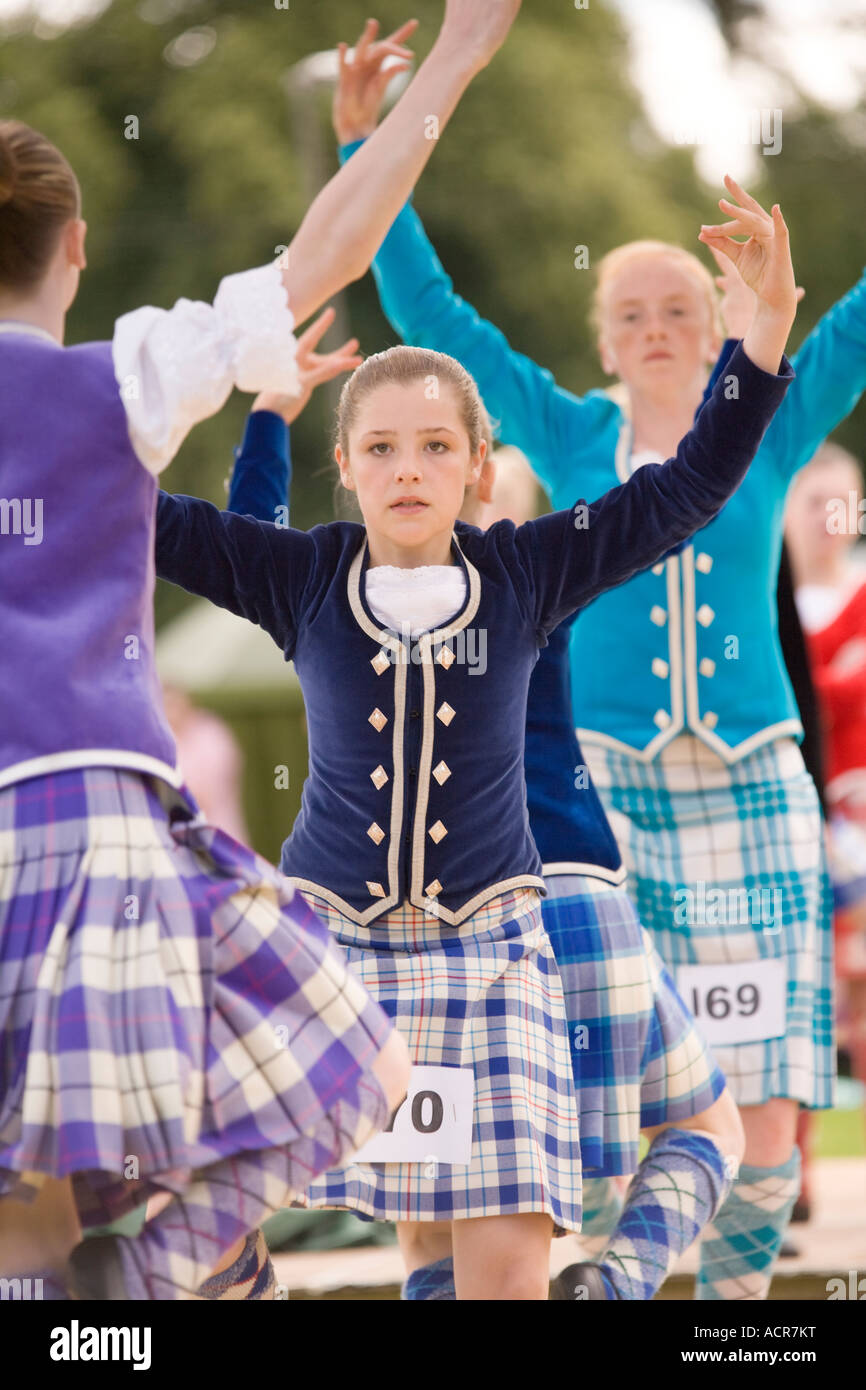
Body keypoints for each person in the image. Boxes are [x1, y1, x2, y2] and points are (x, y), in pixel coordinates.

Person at [154, 173, 796, 1295]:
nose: (410, 467)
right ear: (346, 469)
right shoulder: (303, 574)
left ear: (476, 466)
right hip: (329, 955)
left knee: (486, 1279)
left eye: (437, 448)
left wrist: (761, 336)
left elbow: (687, 485)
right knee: (194, 1208)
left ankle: (604, 1285)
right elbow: (147, 516)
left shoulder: (528, 567)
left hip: (493, 958)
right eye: (384, 448)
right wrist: (242, 402)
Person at [0, 1, 526, 1300]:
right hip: (102, 814)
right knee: (355, 1072)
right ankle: (159, 1269)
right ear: (74, 246)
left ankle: (117, 1289)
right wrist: (455, 55)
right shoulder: (119, 374)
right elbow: (327, 249)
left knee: (29, 1231)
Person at [339, 32, 866, 1296]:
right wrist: (367, 145)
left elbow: (849, 325)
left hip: (750, 785)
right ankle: (606, 1279)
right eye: (627, 313)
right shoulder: (570, 432)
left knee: (770, 1112)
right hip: (609, 802)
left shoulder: (773, 413)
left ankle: (733, 1319)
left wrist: (776, 314)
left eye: (678, 305)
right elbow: (427, 314)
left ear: (720, 308)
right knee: (612, 1093)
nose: (655, 326)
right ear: (603, 337)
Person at [219, 408, 745, 1301]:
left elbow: (249, 542)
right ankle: (615, 1284)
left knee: (433, 1213)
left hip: (429, 935)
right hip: (569, 902)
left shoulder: (366, 595)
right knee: (709, 1130)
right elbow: (678, 494)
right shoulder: (532, 573)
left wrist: (268, 416)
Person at [786, 444, 866, 1162]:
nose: (831, 522)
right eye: (815, 503)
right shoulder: (771, 603)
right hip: (802, 818)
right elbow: (805, 705)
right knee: (805, 992)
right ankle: (793, 1169)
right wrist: (838, 678)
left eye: (845, 504)